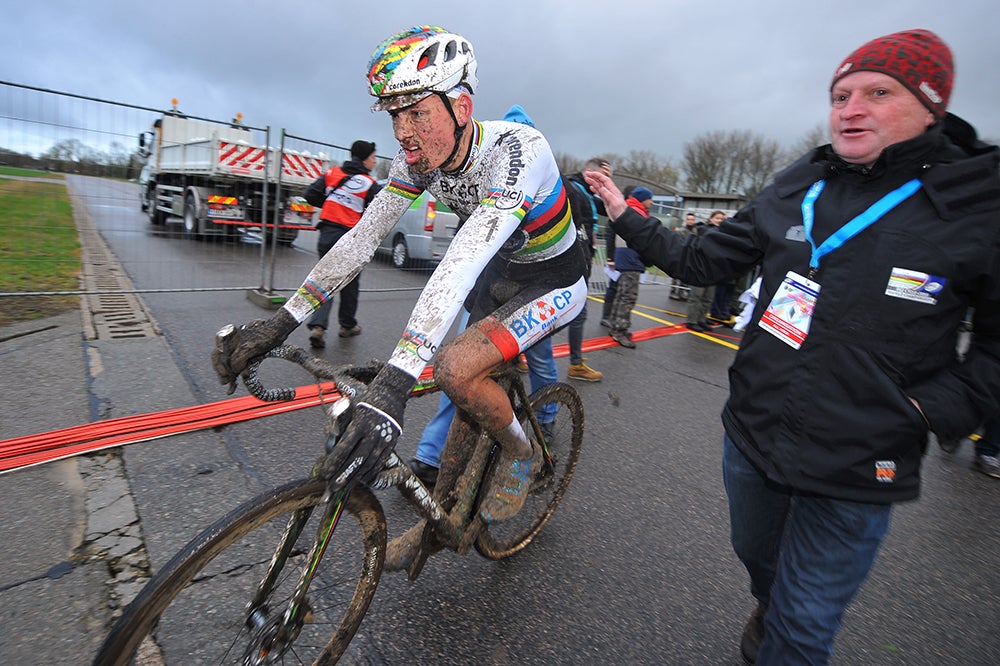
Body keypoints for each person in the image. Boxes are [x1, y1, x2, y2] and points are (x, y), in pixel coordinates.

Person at [586, 28, 1000, 665]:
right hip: (754, 435)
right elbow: (699, 259)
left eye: (876, 93)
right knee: (763, 568)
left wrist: (927, 412)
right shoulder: (799, 183)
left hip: (861, 460)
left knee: (804, 628)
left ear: (931, 107)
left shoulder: (977, 205)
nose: (850, 108)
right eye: (840, 94)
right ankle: (772, 612)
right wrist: (624, 212)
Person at [212, 26, 589, 542]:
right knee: (457, 378)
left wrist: (393, 384)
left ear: (461, 107)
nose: (403, 133)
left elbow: (460, 261)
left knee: (455, 369)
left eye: (417, 113)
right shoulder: (419, 161)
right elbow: (360, 240)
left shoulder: (518, 152)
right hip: (499, 276)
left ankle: (521, 453)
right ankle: (449, 516)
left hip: (553, 279)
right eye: (395, 115)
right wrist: (280, 323)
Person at [408, 103, 560, 489]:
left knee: (539, 359)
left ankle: (543, 420)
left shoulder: (532, 169)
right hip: (486, 288)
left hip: (533, 287)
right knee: (457, 370)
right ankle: (430, 454)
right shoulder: (479, 172)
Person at [301, 139, 380, 348]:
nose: (375, 161)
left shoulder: (332, 174)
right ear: (365, 158)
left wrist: (330, 203)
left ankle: (319, 326)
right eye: (373, 157)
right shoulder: (368, 184)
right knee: (350, 284)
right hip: (349, 239)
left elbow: (310, 195)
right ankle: (346, 325)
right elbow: (376, 212)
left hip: (326, 235)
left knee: (326, 281)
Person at [563, 157, 612, 382]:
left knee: (573, 313)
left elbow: (609, 207)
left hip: (582, 259)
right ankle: (575, 364)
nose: (604, 181)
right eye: (601, 176)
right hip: (572, 263)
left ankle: (575, 361)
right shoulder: (573, 189)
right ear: (587, 172)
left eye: (607, 178)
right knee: (577, 312)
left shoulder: (589, 194)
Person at [607, 187, 653, 348]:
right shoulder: (637, 213)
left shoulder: (627, 210)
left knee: (621, 295)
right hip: (631, 258)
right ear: (642, 199)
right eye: (649, 198)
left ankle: (614, 326)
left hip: (625, 257)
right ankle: (620, 330)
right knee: (628, 297)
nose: (651, 201)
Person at [684, 210, 725, 332]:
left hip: (713, 269)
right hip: (699, 267)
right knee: (697, 295)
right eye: (717, 218)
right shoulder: (702, 230)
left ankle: (701, 319)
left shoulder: (722, 233)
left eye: (722, 219)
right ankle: (692, 320)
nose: (719, 221)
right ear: (711, 218)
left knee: (708, 297)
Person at [600, 184, 634, 328]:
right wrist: (610, 258)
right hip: (618, 256)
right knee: (614, 287)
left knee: (624, 290)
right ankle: (606, 316)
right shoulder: (617, 211)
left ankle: (616, 316)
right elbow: (610, 236)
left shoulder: (631, 212)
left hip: (628, 257)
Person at [669, 212, 700, 301]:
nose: (690, 221)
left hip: (690, 257)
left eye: (692, 220)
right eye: (689, 219)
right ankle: (673, 291)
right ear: (686, 220)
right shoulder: (681, 231)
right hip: (680, 255)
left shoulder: (696, 231)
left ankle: (682, 292)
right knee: (675, 275)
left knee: (686, 275)